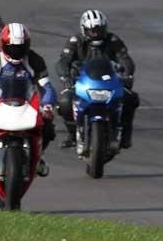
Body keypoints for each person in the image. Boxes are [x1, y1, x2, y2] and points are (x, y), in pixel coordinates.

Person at [0, 23, 56, 176]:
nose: (16, 51)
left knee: (48, 127)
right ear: (3, 45)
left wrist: (47, 106)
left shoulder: (35, 60)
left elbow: (47, 87)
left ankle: (39, 155)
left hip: (27, 101)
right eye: (12, 47)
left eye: (20, 47)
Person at [55, 10, 139, 150]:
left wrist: (128, 75)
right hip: (82, 82)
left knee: (131, 98)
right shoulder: (75, 41)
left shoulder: (113, 40)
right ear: (84, 29)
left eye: (99, 29)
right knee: (64, 102)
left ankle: (125, 134)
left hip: (109, 81)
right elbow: (63, 61)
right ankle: (72, 134)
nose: (96, 33)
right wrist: (65, 77)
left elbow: (125, 59)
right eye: (92, 30)